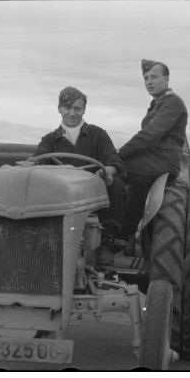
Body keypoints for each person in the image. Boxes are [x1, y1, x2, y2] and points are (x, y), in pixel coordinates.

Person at [31, 86, 126, 257]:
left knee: (116, 185)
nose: (72, 113)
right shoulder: (50, 140)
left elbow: (113, 160)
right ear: (59, 109)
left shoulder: (98, 135)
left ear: (84, 110)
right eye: (67, 108)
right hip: (61, 195)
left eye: (77, 108)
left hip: (92, 194)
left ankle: (106, 242)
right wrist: (30, 166)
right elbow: (37, 161)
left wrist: (107, 172)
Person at [118, 59, 188, 239]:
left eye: (154, 77)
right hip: (153, 161)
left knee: (112, 170)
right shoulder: (158, 103)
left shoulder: (172, 102)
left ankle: (114, 235)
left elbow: (150, 135)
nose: (149, 81)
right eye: (146, 78)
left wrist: (117, 155)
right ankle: (121, 237)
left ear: (166, 79)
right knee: (134, 190)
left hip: (162, 162)